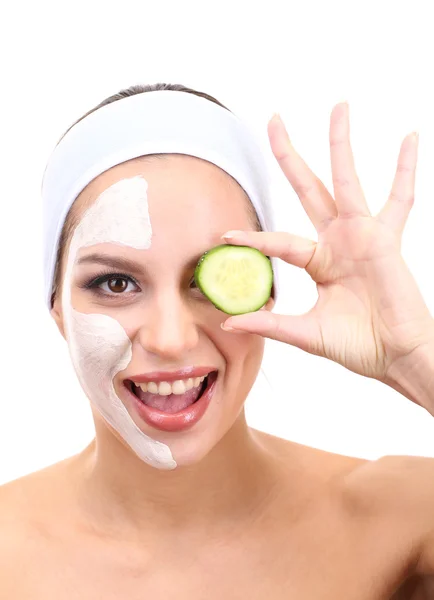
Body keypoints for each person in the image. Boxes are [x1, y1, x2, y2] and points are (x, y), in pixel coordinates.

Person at [0, 82, 433, 599]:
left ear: (269, 291)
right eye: (116, 283)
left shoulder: (404, 521)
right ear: (58, 308)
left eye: (210, 281)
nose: (171, 339)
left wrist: (417, 358)